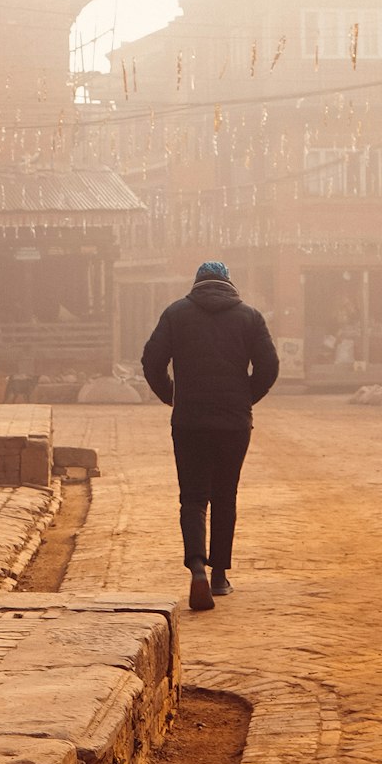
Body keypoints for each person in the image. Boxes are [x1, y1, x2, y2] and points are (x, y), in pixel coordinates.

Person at [141, 259, 279, 612]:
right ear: (228, 283)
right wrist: (246, 398)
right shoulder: (250, 317)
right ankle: (219, 576)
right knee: (225, 495)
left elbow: (151, 360)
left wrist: (171, 396)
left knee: (193, 497)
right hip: (233, 423)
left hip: (189, 421)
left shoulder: (176, 314)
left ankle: (197, 568)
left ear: (197, 283)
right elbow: (269, 366)